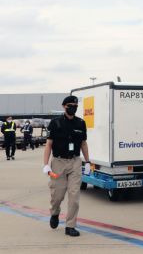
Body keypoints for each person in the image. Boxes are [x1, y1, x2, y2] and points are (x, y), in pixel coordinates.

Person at [43, 96, 91, 237]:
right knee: (57, 195)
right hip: (58, 163)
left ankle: (70, 226)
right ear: (64, 106)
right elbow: (48, 145)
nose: (73, 107)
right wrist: (46, 165)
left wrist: (87, 162)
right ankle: (55, 212)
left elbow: (83, 144)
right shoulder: (55, 123)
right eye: (71, 105)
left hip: (75, 162)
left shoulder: (81, 123)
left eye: (75, 105)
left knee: (74, 196)